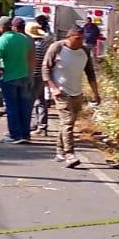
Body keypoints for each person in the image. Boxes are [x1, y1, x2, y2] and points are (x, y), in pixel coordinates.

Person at [43, 25, 101, 168]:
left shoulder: (85, 51)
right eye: (77, 39)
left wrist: (96, 93)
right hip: (61, 92)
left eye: (82, 38)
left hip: (77, 92)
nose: (80, 41)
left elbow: (90, 73)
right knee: (67, 123)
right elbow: (45, 68)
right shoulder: (57, 48)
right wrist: (53, 88)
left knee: (68, 123)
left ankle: (59, 150)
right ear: (69, 37)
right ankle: (70, 154)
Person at [0, 16, 34, 143]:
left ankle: (15, 135)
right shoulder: (23, 39)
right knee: (24, 106)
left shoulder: (3, 40)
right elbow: (29, 56)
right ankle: (25, 134)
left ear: (1, 27)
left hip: (9, 77)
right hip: (24, 76)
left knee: (11, 107)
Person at [27, 21, 52, 135]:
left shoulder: (33, 45)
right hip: (41, 75)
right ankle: (42, 126)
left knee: (30, 102)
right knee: (41, 101)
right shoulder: (44, 44)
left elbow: (32, 62)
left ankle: (26, 125)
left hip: (34, 75)